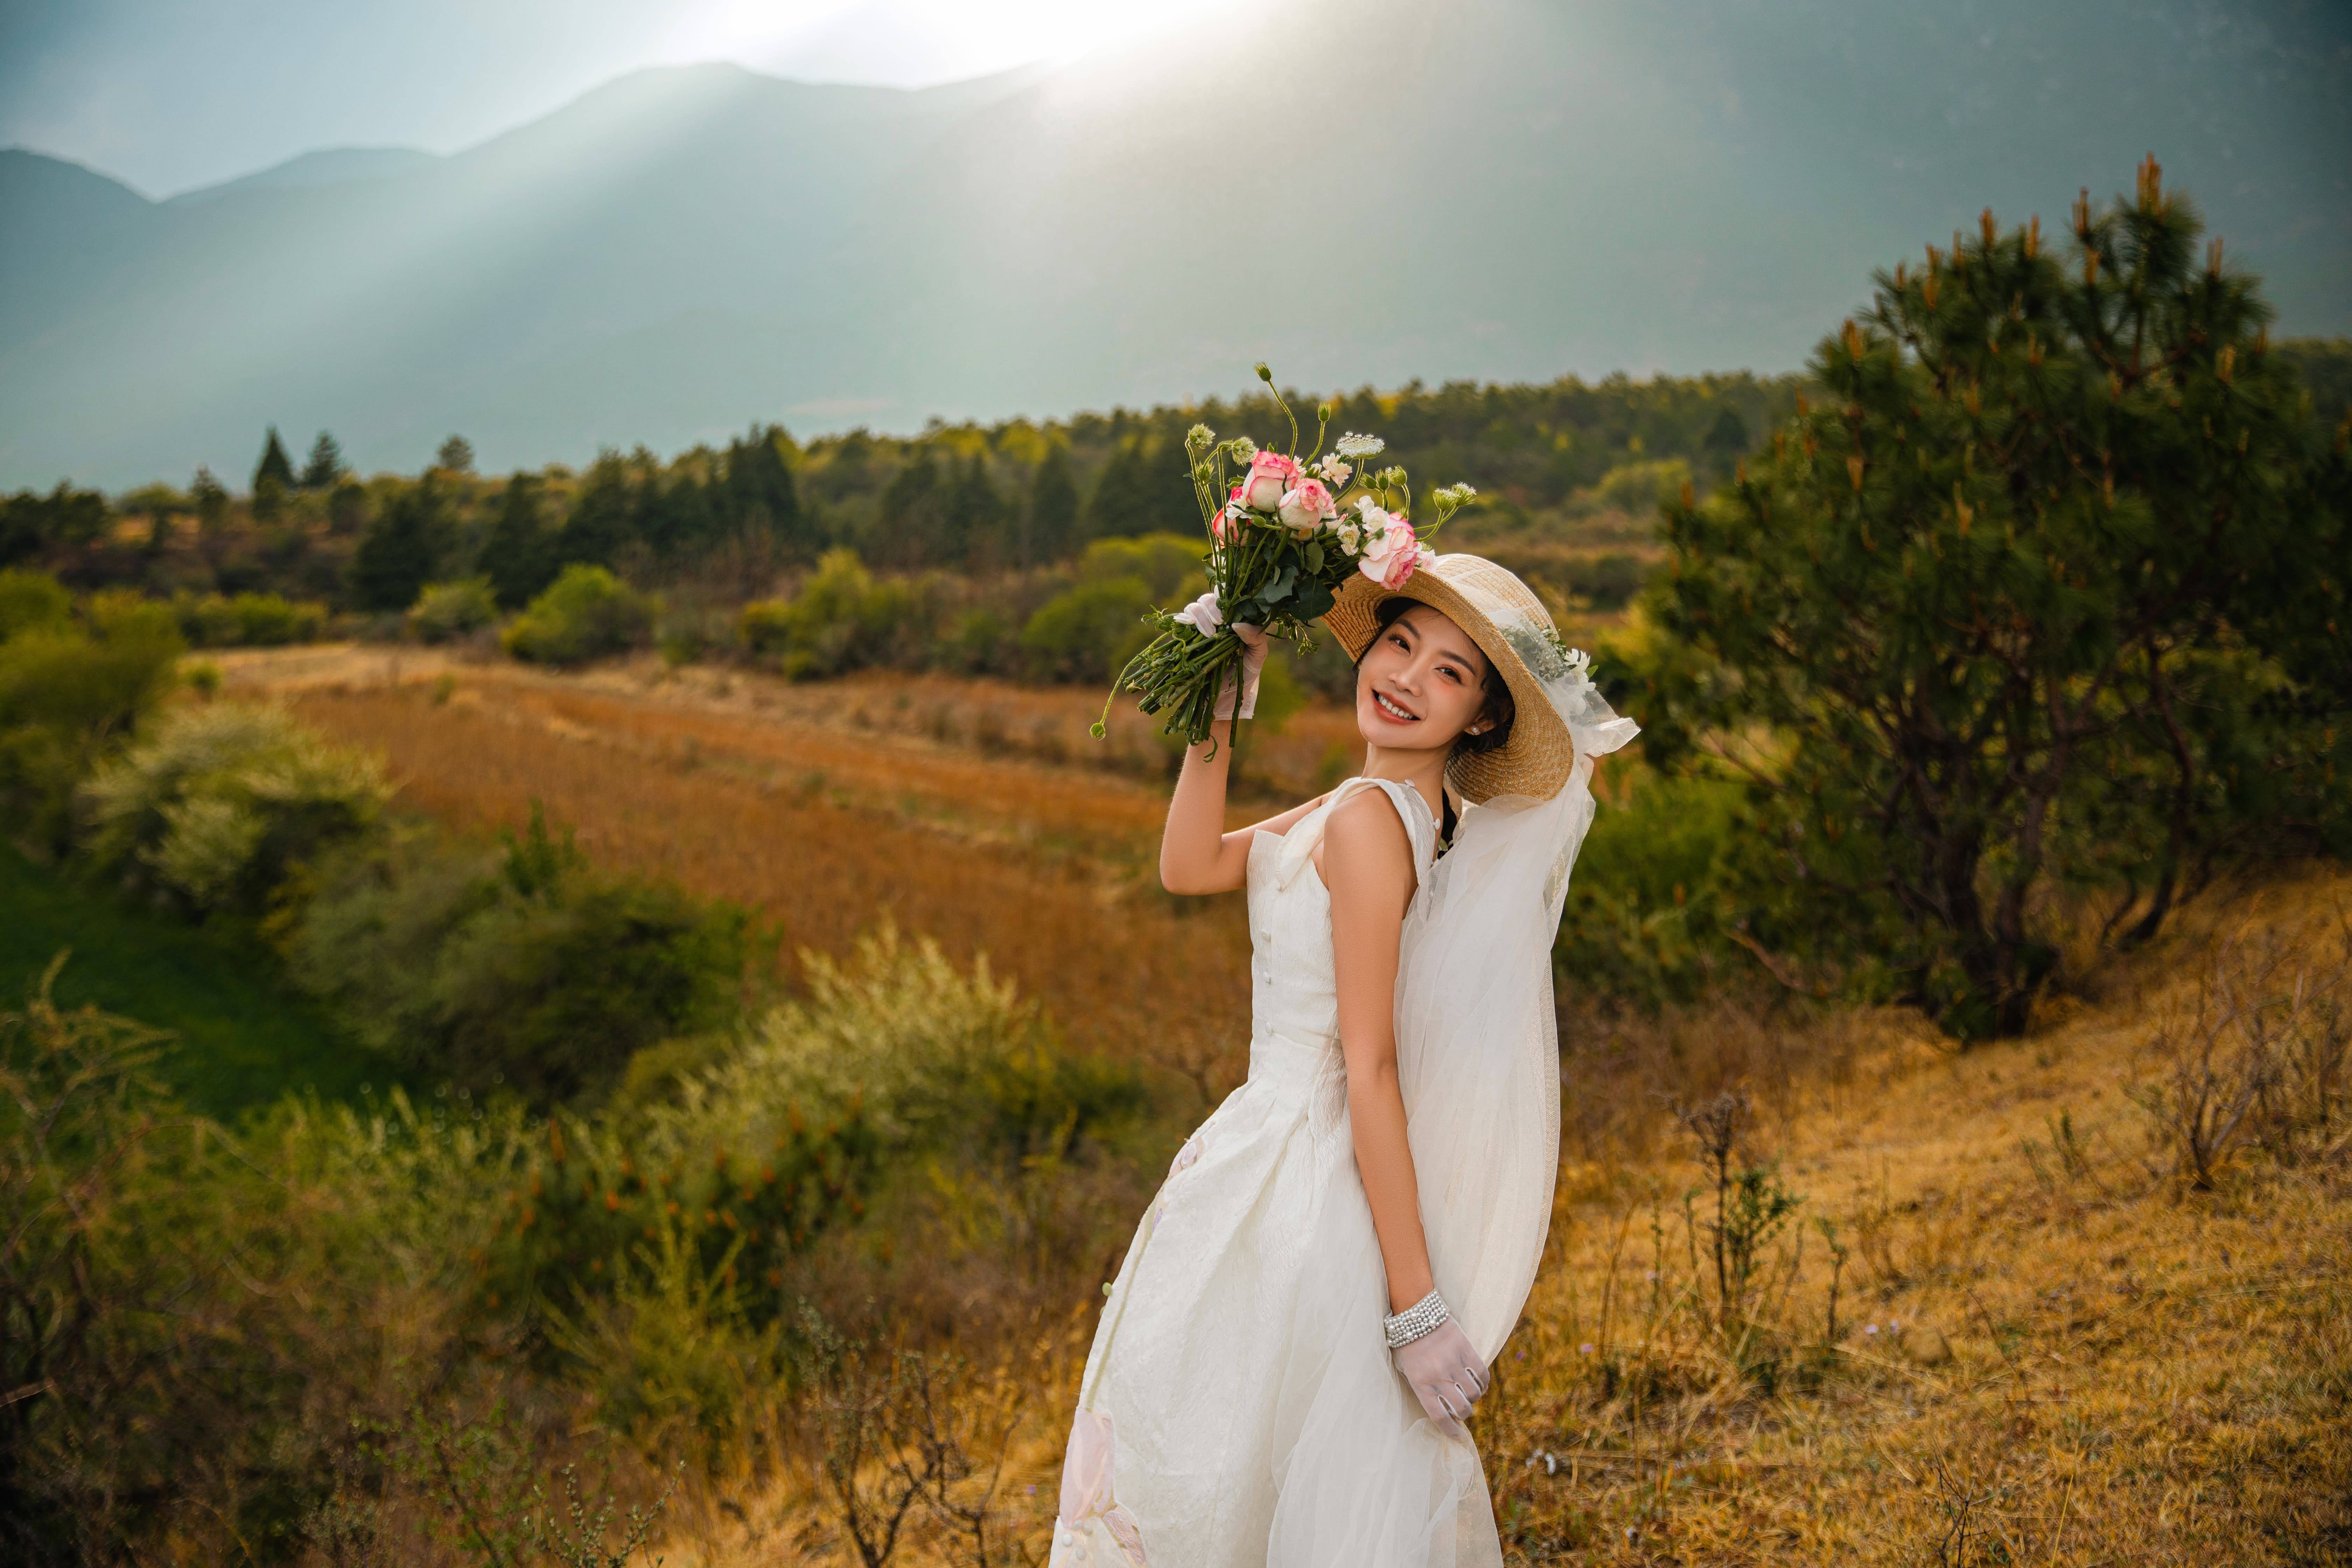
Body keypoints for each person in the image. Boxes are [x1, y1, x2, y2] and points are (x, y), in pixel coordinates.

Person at [1048, 554, 1638, 1566]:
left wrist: (1415, 1307)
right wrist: (1219, 701)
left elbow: (1370, 1067)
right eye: (1401, 643)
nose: (1407, 676)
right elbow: (1188, 866)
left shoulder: (1369, 825)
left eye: (1450, 673)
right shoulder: (1357, 806)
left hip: (1303, 1180)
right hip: (1261, 1157)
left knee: (1231, 1466)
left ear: (1481, 721)